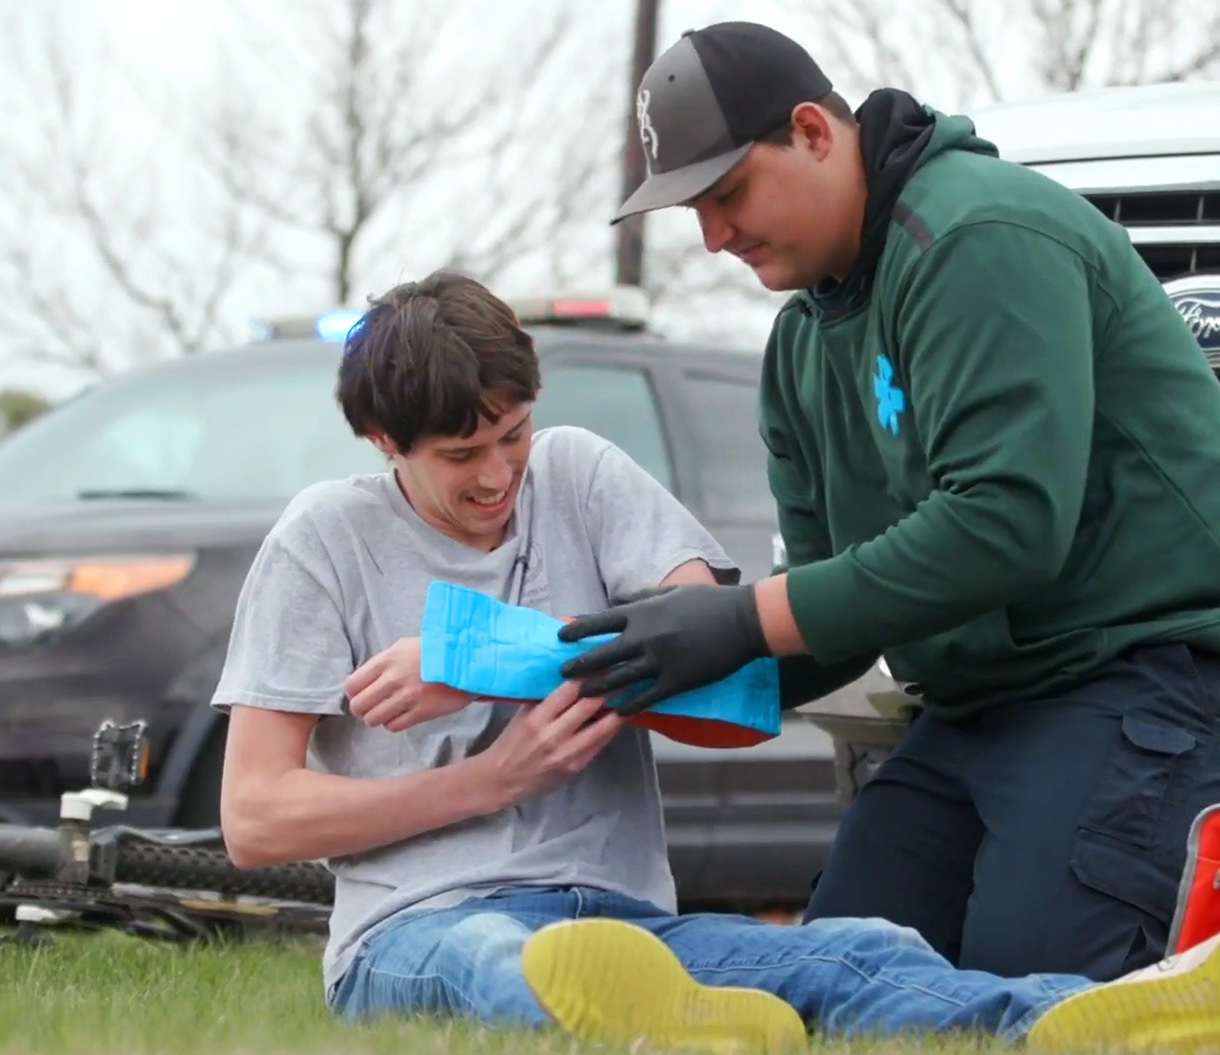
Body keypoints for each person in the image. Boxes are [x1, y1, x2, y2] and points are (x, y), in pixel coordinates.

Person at [210, 269, 1220, 1055]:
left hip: (623, 919)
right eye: (460, 456)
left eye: (512, 435)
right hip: (417, 925)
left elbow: (730, 691)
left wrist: (490, 659)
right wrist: (493, 780)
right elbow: (257, 820)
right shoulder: (322, 540)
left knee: (850, 957)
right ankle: (680, 1025)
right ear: (386, 440)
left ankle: (1091, 1021)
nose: (499, 475)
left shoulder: (579, 474)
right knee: (493, 964)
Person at [557, 20, 1220, 983]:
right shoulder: (799, 350)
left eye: (727, 193)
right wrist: (631, 672)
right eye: (692, 213)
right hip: (969, 708)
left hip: (1132, 679)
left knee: (1028, 991)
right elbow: (827, 620)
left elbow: (1005, 526)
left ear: (815, 132)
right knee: (836, 979)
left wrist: (737, 619)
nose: (711, 239)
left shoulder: (975, 233)